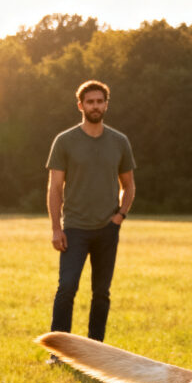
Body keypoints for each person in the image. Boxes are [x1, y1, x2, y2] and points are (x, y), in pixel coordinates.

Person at [46, 80, 136, 346]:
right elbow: (55, 188)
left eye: (99, 101)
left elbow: (129, 185)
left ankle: (96, 351)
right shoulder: (65, 141)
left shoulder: (119, 142)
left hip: (107, 229)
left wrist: (120, 216)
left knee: (101, 293)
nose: (95, 106)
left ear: (106, 105)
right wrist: (56, 228)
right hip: (74, 228)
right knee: (66, 288)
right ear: (80, 106)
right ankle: (59, 351)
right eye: (90, 102)